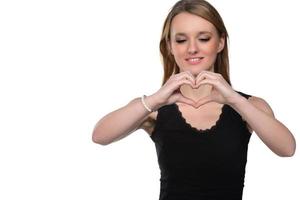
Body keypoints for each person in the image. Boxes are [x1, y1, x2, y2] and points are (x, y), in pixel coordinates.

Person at [92, 0, 296, 199]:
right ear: (170, 46)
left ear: (221, 42)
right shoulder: (153, 109)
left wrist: (234, 100)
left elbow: (287, 149)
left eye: (204, 38)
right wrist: (154, 100)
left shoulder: (249, 106)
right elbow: (100, 136)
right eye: (181, 40)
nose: (192, 49)